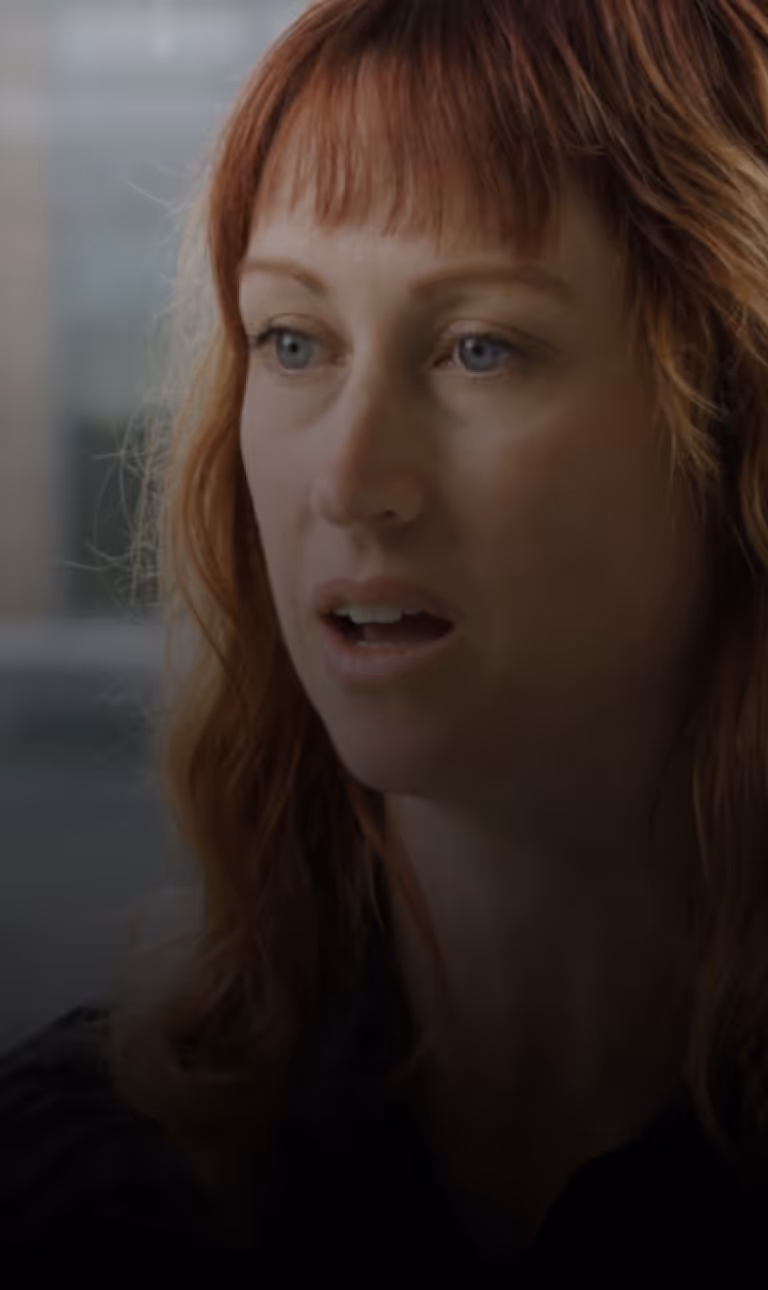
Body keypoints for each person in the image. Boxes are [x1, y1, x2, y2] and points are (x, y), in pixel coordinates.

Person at [2, 0, 768, 1281]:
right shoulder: (72, 1188)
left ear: (736, 424)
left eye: (481, 348)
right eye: (294, 341)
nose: (351, 479)